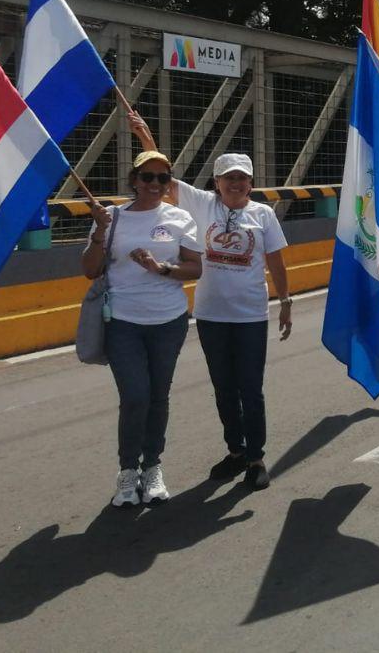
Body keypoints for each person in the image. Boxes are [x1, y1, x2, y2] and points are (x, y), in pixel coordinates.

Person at [128, 113, 292, 490]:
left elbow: (275, 261)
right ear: (216, 182)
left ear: (251, 183)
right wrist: (145, 136)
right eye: (228, 178)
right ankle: (236, 451)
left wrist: (285, 301)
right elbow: (163, 178)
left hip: (250, 316)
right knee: (223, 387)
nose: (236, 184)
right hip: (211, 316)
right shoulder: (202, 205)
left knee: (250, 388)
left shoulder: (263, 214)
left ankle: (256, 457)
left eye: (242, 178)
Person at [82, 150, 203, 508]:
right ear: (134, 180)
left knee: (158, 396)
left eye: (162, 178)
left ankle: (152, 467)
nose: (155, 184)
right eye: (147, 176)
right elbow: (90, 269)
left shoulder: (179, 217)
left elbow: (195, 268)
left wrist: (160, 268)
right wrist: (99, 231)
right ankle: (127, 471)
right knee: (135, 396)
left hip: (168, 321)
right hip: (123, 322)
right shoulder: (112, 217)